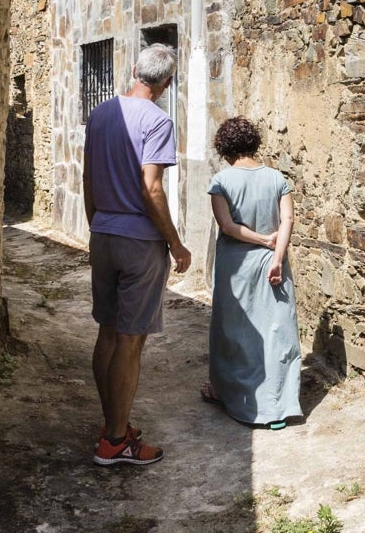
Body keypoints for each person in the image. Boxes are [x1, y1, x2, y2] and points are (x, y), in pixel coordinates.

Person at [83, 43, 192, 465]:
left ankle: (112, 422)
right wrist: (176, 242)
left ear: (133, 70)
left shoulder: (100, 113)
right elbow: (151, 189)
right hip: (138, 243)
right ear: (166, 84)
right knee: (131, 340)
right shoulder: (158, 120)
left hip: (104, 233)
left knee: (107, 333)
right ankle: (114, 441)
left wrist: (97, 224)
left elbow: (89, 176)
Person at [202, 116, 301, 429]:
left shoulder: (221, 182)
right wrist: (276, 255)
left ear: (225, 147)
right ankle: (279, 406)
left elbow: (228, 226)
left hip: (237, 267)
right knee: (277, 334)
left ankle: (232, 395)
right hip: (274, 263)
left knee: (235, 333)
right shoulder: (277, 178)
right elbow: (288, 221)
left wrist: (261, 240)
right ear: (254, 143)